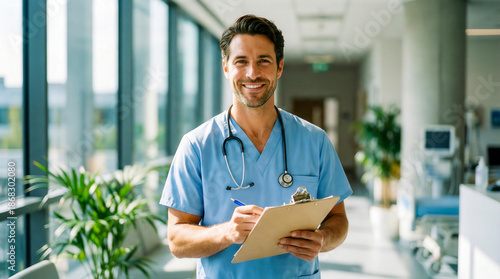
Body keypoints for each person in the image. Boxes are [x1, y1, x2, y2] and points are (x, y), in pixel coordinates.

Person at [160, 14, 352, 278]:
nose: (252, 73)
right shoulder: (196, 146)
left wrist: (322, 239)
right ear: (226, 67)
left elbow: (338, 220)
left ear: (279, 67)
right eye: (241, 61)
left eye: (264, 61)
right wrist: (226, 232)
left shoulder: (314, 141)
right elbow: (177, 240)